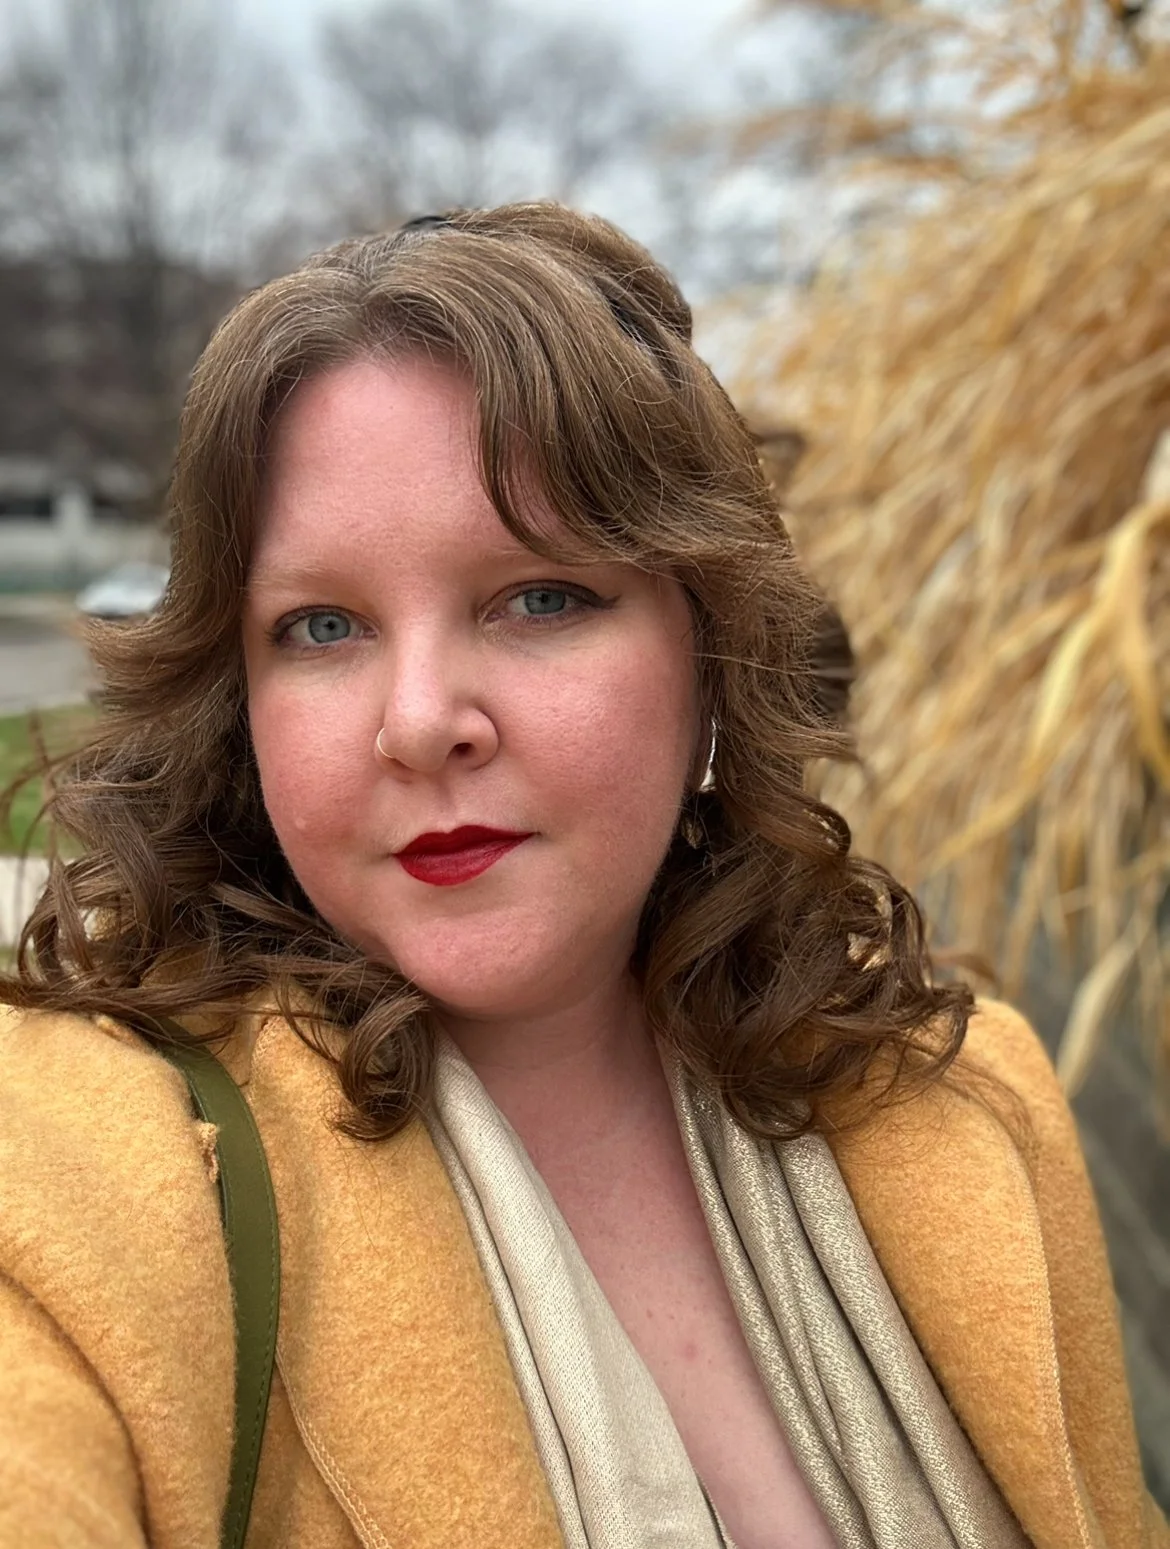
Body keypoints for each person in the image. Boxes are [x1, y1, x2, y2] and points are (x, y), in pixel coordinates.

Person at [0, 203, 1163, 1549]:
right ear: (236, 696)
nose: (421, 718)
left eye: (538, 596)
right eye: (321, 626)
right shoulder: (84, 1174)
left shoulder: (970, 1105)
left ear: (711, 647)